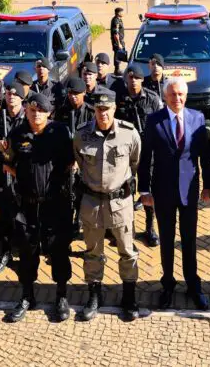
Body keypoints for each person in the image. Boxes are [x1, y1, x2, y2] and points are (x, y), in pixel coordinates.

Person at [139, 78, 210, 311]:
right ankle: (168, 285)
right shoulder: (154, 121)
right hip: (162, 191)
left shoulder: (197, 118)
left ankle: (193, 285)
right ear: (165, 96)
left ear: (186, 95)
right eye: (173, 95)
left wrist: (208, 185)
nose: (177, 99)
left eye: (181, 94)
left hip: (189, 191)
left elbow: (204, 156)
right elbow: (145, 158)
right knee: (167, 241)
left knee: (189, 240)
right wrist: (144, 190)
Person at [2, 91, 75, 323]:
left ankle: (61, 296)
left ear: (49, 113)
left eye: (41, 111)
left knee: (59, 250)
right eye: (32, 111)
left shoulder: (60, 132)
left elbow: (70, 163)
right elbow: (8, 164)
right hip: (27, 205)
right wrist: (25, 179)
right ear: (26, 111)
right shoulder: (16, 134)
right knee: (26, 251)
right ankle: (27, 296)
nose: (36, 115)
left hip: (55, 204)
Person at [74, 86, 142, 322]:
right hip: (92, 202)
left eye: (107, 109)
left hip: (119, 203)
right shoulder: (82, 134)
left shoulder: (129, 134)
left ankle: (129, 296)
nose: (102, 113)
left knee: (127, 251)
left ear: (114, 108)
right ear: (93, 109)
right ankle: (95, 295)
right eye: (98, 109)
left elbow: (134, 163)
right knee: (93, 252)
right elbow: (80, 162)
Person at [114, 62, 161, 246]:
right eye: (130, 77)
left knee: (147, 189)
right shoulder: (119, 98)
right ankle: (127, 228)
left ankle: (150, 227)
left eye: (137, 78)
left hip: (148, 150)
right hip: (125, 151)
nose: (133, 81)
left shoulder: (152, 99)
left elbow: (161, 125)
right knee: (125, 189)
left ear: (142, 80)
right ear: (126, 78)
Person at [0, 78, 28, 276]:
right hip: (1, 175)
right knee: (4, 217)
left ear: (22, 98)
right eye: (8, 94)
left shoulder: (28, 118)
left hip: (22, 177)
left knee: (24, 219)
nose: (10, 97)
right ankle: (5, 252)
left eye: (15, 94)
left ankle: (25, 255)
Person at [56, 76, 92, 238]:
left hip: (86, 161)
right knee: (66, 193)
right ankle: (68, 222)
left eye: (77, 93)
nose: (73, 96)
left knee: (83, 195)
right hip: (66, 160)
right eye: (70, 93)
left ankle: (79, 220)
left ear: (84, 93)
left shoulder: (91, 113)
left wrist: (79, 160)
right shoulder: (61, 111)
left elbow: (94, 141)